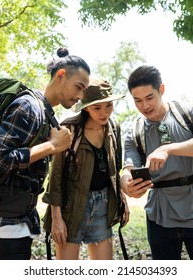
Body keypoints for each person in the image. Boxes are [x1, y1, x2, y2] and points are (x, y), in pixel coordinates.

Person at [0, 47, 91, 260]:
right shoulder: (28, 107)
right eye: (79, 87)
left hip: (19, 224)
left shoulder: (45, 112)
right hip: (4, 228)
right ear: (60, 76)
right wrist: (52, 146)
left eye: (84, 91)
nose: (80, 96)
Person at [121, 65, 193, 260]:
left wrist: (167, 148)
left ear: (161, 89)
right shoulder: (134, 131)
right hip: (160, 217)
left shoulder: (189, 111)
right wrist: (127, 186)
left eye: (149, 98)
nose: (144, 106)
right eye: (138, 101)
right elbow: (128, 169)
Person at [42, 78, 130, 260]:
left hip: (103, 206)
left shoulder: (113, 128)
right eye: (97, 108)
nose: (104, 112)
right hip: (70, 208)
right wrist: (57, 219)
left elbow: (115, 169)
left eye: (108, 105)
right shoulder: (69, 130)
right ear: (86, 107)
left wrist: (122, 199)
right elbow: (55, 177)